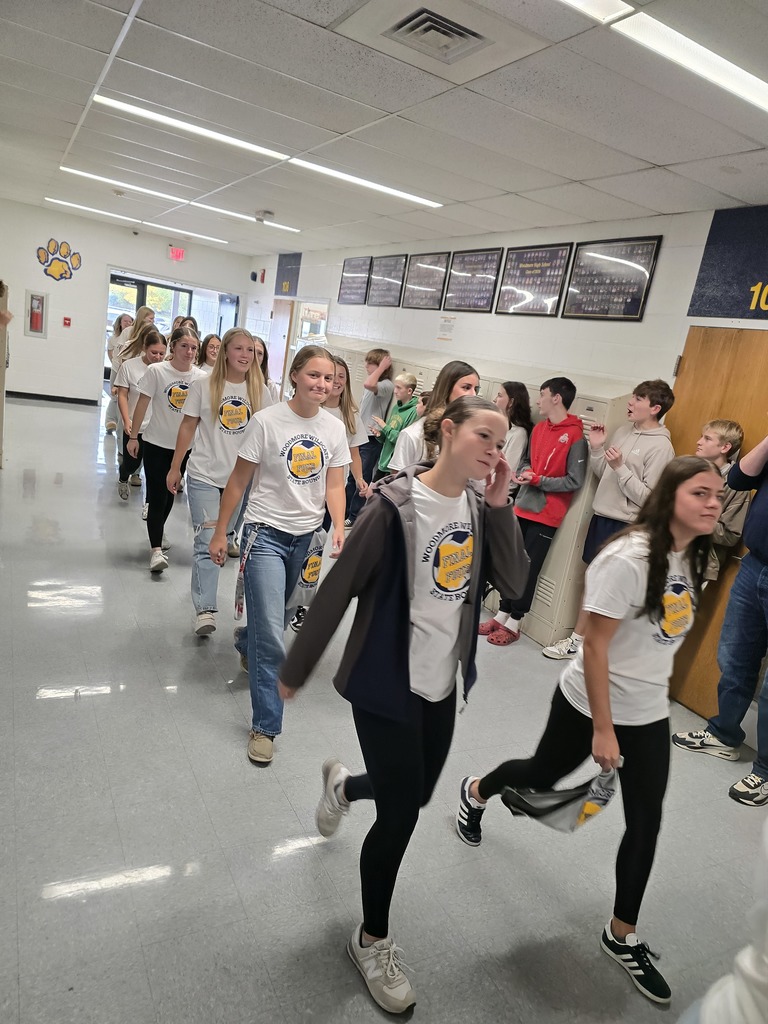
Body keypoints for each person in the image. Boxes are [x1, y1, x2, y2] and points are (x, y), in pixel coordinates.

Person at [278, 396, 529, 1014]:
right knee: (402, 817)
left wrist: (499, 506)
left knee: (409, 794)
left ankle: (343, 787)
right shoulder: (394, 508)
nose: (495, 453)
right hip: (387, 684)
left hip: (442, 684)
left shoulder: (476, 504)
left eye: (502, 444)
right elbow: (339, 589)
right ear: (448, 432)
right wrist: (297, 666)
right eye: (484, 437)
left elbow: (516, 584)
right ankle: (371, 940)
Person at [457, 456, 725, 1006]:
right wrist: (604, 729)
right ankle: (476, 790)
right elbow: (594, 642)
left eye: (717, 495)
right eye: (701, 493)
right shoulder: (628, 558)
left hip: (648, 712)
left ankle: (620, 933)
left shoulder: (688, 556)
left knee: (646, 820)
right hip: (588, 704)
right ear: (671, 497)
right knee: (540, 774)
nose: (713, 503)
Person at [208, 346, 350, 766]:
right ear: (294, 376)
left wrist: (339, 527)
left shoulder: (334, 428)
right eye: (314, 375)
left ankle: (244, 640)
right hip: (264, 535)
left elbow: (336, 484)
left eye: (329, 378)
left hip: (306, 539)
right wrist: (221, 532)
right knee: (273, 632)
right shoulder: (266, 422)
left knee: (282, 615)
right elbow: (237, 483)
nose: (322, 384)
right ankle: (266, 726)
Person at [543, 379, 675, 660]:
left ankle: (591, 646)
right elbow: (604, 474)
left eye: (638, 399)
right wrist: (598, 449)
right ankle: (579, 642)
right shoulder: (625, 431)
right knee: (592, 581)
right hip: (602, 517)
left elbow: (649, 499)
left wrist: (621, 468)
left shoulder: (662, 448)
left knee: (612, 589)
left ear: (655, 408)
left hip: (626, 525)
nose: (630, 402)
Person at [672, 429, 768, 807]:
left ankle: (763, 771)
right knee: (736, 658)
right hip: (755, 564)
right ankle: (725, 735)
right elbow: (739, 478)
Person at [167, 328, 269, 635]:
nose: (245, 355)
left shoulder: (262, 390)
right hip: (204, 475)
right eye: (238, 349)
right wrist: (175, 467)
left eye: (250, 351)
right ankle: (206, 609)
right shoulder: (204, 384)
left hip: (241, 480)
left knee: (224, 537)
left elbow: (268, 438)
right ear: (224, 352)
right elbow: (187, 426)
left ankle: (205, 588)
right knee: (208, 540)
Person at [481, 376, 587, 646]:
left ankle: (515, 621)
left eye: (542, 394)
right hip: (523, 506)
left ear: (556, 398)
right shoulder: (539, 429)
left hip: (547, 514)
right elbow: (527, 460)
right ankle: (502, 613)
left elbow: (574, 480)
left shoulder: (575, 435)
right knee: (511, 563)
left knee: (529, 569)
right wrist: (525, 472)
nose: (537, 400)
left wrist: (539, 480)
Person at [289, 355, 368, 633]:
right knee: (299, 550)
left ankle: (300, 605)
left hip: (331, 494)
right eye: (328, 377)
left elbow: (355, 453)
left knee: (313, 551)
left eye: (339, 378)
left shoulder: (347, 416)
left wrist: (359, 479)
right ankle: (290, 601)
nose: (333, 383)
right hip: (302, 490)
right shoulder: (306, 410)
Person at [126, 327, 205, 572]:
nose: (189, 352)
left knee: (170, 493)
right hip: (155, 443)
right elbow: (142, 404)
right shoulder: (157, 371)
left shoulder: (201, 378)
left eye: (193, 347)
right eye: (184, 346)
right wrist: (133, 436)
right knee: (158, 494)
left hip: (183, 449)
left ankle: (157, 529)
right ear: (173, 347)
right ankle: (156, 551)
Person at [387, 361, 480, 473]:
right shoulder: (413, 435)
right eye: (466, 387)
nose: (473, 394)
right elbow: (397, 483)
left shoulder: (469, 434)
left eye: (476, 389)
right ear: (447, 388)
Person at [114, 328, 167, 500]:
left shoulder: (166, 370)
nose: (158, 357)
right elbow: (122, 394)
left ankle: (150, 503)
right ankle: (124, 477)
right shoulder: (129, 366)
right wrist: (126, 420)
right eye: (154, 352)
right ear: (144, 347)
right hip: (135, 425)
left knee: (154, 470)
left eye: (162, 353)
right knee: (131, 464)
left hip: (157, 428)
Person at [694, 420, 749, 581]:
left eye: (707, 439)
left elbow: (730, 535)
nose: (699, 442)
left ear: (725, 447)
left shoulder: (737, 485)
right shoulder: (687, 470)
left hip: (697, 563)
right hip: (665, 552)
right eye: (701, 437)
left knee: (673, 606)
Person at [344, 348, 393, 526]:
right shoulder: (373, 382)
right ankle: (344, 512)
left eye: (370, 363)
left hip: (371, 439)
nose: (366, 366)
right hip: (361, 436)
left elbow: (368, 384)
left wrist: (380, 368)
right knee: (352, 477)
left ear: (381, 365)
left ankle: (355, 516)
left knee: (361, 479)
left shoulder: (386, 385)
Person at [371, 373, 419, 479]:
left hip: (393, 467)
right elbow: (389, 436)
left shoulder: (413, 412)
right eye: (395, 387)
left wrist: (384, 426)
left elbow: (402, 440)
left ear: (409, 391)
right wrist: (380, 435)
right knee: (371, 493)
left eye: (398, 388)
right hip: (383, 463)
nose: (395, 391)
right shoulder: (396, 407)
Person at [493, 381, 534, 487]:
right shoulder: (498, 426)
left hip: (497, 490)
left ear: (511, 402)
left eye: (499, 395)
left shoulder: (519, 434)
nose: (494, 399)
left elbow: (506, 472)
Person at [105, 313, 134, 433]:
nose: (128, 323)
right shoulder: (113, 338)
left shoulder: (132, 335)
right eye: (125, 321)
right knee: (115, 396)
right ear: (119, 323)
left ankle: (118, 422)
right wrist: (115, 365)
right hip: (117, 369)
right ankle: (110, 421)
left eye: (130, 321)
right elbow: (111, 353)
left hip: (127, 371)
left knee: (123, 398)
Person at [252, 335, 281, 404]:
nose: (255, 356)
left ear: (263, 359)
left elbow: (275, 412)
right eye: (252, 350)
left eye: (260, 353)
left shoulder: (269, 385)